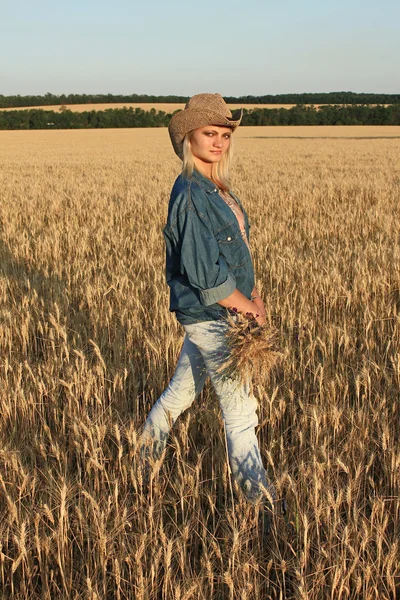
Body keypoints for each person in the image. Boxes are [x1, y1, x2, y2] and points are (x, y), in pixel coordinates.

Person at [140, 93, 276, 517]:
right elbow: (205, 277)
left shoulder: (214, 187)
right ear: (188, 138)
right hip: (212, 316)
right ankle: (261, 508)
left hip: (222, 312)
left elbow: (232, 257)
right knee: (240, 413)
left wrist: (251, 296)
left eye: (224, 134)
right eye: (209, 133)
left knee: (180, 393)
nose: (219, 142)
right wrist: (248, 308)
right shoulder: (193, 194)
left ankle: (140, 466)